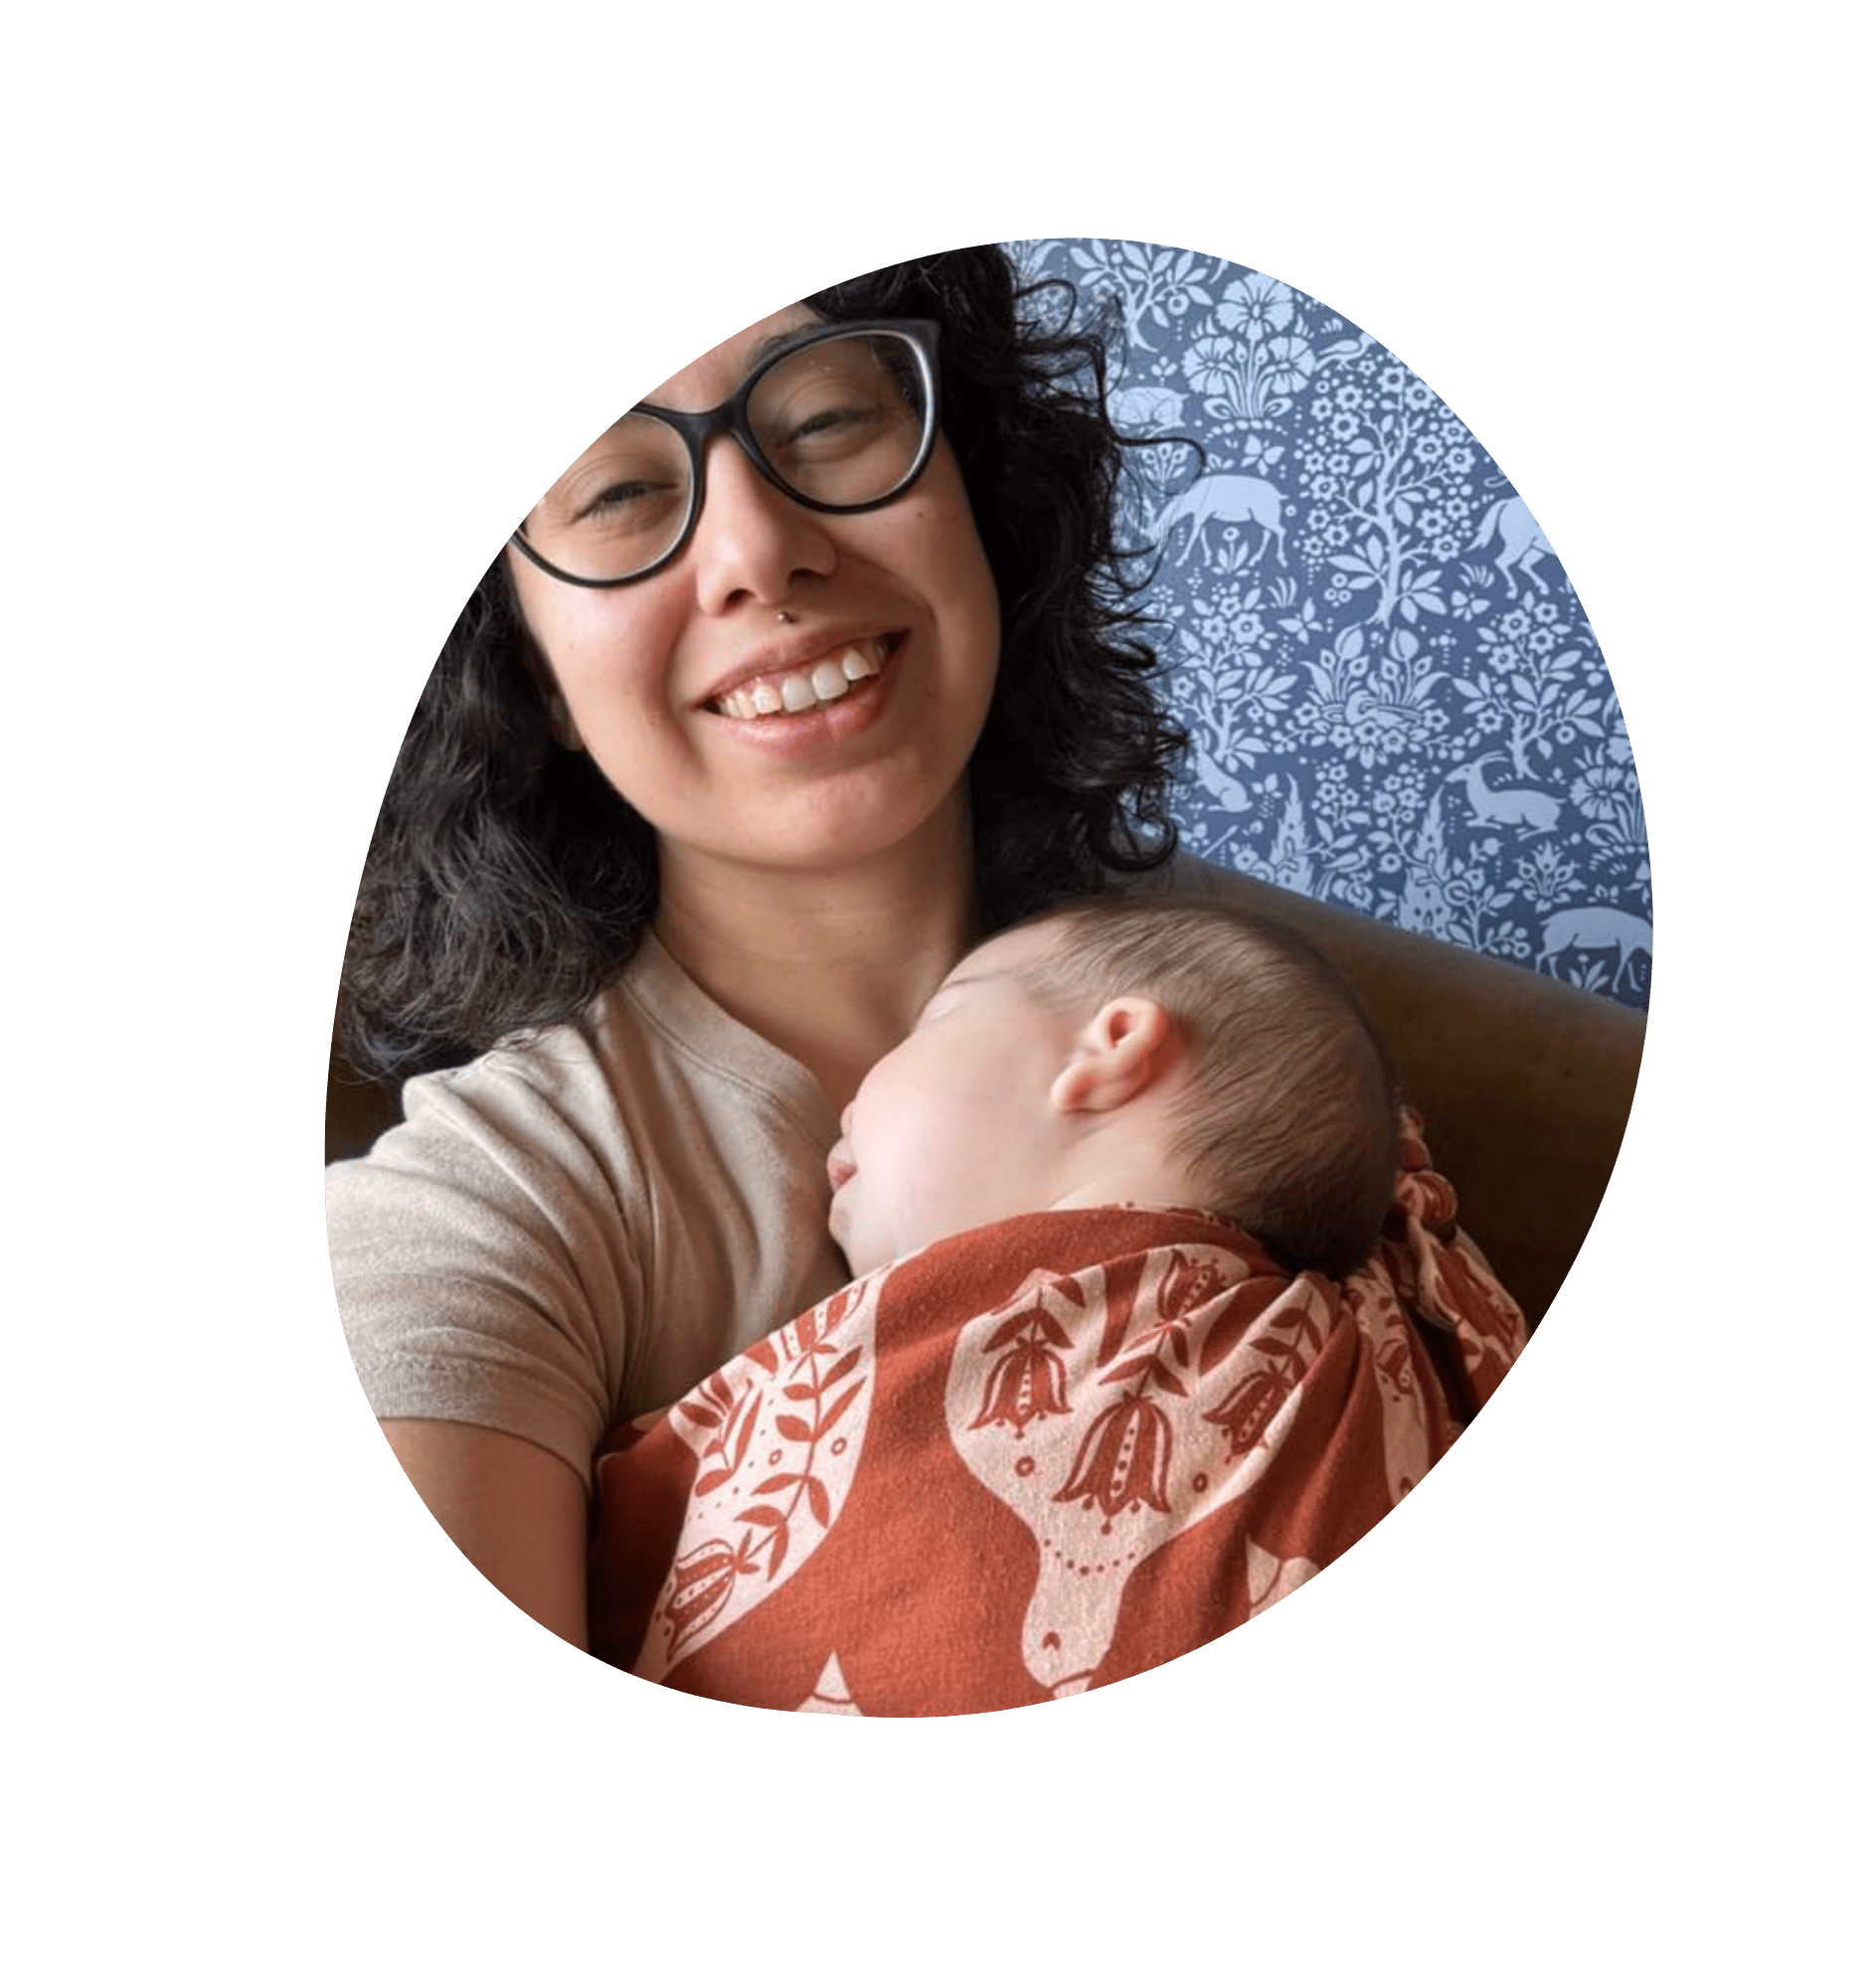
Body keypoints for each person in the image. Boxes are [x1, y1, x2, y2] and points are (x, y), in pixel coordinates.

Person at [326, 247, 1549, 1657]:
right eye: (615, 491)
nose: (758, 553)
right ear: (532, 674)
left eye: (832, 421)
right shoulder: (477, 1219)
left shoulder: (1260, 1059)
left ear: (976, 493)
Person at [586, 894, 1526, 1713]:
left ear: (1110, 1046)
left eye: (928, 1026)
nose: (850, 1092)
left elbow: (627, 1562)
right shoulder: (1412, 1353)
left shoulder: (1019, 1316)